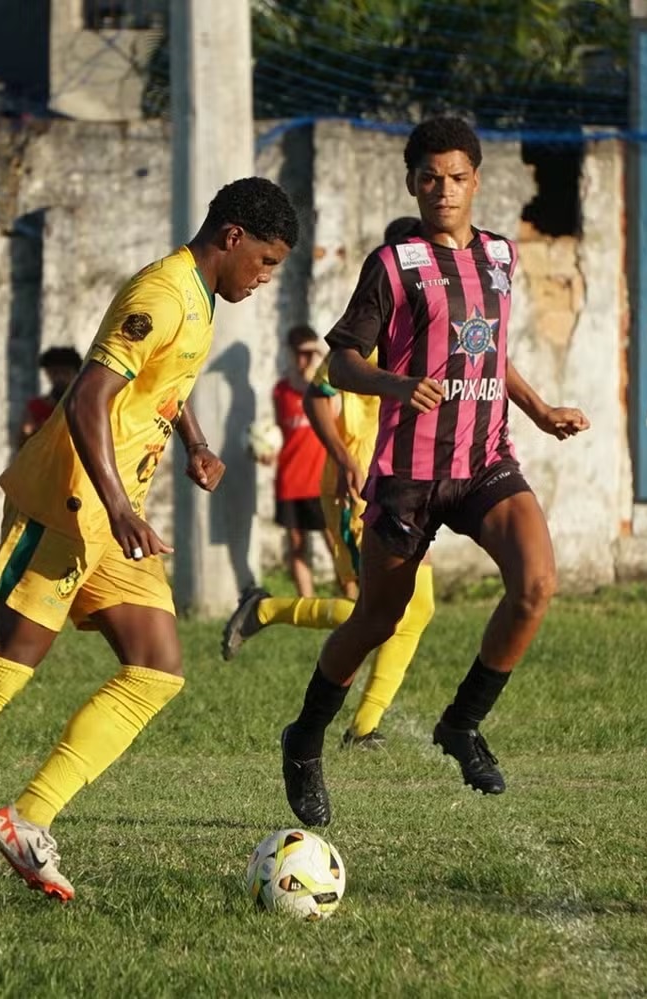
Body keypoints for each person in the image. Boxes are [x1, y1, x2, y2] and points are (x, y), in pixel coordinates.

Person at [0, 176, 299, 925]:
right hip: (69, 501)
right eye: (264, 261)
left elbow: (162, 380)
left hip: (110, 514)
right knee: (4, 669)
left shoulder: (198, 297)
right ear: (232, 237)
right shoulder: (161, 292)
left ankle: (27, 819)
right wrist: (122, 504)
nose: (264, 279)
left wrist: (193, 442)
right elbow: (92, 396)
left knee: (157, 670)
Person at [278, 116, 590, 827]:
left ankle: (463, 723)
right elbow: (341, 362)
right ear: (412, 183)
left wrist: (539, 410)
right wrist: (396, 384)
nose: (443, 190)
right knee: (377, 618)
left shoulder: (504, 258)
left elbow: (489, 351)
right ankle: (304, 737)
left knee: (537, 583)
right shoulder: (393, 265)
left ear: (476, 180)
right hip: (409, 476)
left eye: (456, 177)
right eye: (429, 178)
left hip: (484, 462)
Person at [222, 219, 437, 752]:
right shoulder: (378, 314)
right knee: (376, 610)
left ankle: (364, 727)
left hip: (408, 482)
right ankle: (265, 609)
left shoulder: (429, 318)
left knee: (419, 606)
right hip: (360, 483)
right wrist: (343, 460)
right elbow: (319, 394)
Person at [268, 325, 332, 597]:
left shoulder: (324, 390)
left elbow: (337, 411)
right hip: (290, 478)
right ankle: (307, 602)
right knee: (296, 545)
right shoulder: (281, 391)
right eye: (300, 354)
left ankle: (354, 597)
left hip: (322, 479)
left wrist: (322, 358)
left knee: (335, 542)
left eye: (310, 354)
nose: (304, 360)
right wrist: (267, 450)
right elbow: (277, 433)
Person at [19, 346, 83, 446]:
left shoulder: (84, 406)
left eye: (65, 372)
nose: (60, 377)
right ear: (48, 373)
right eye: (55, 372)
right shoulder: (36, 407)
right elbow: (24, 440)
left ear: (75, 373)